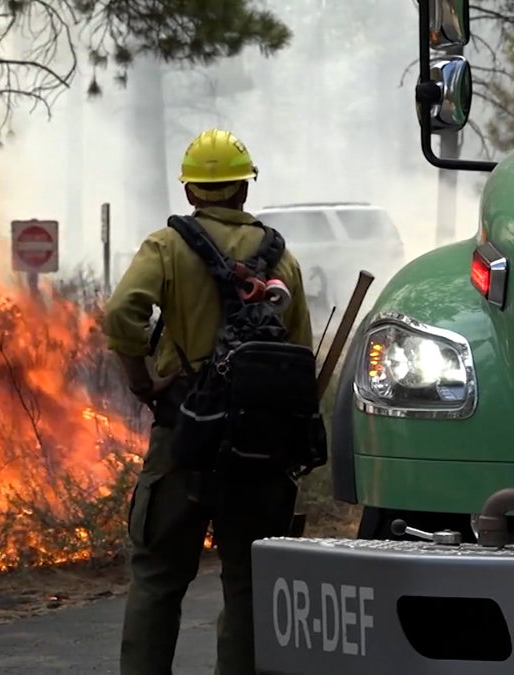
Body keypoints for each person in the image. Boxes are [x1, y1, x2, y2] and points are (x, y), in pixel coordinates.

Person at [103, 128, 313, 675]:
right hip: (258, 451)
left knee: (156, 578)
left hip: (183, 436)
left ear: (192, 192)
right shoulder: (281, 258)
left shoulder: (167, 247)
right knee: (247, 584)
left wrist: (140, 380)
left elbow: (122, 312)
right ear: (243, 189)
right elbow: (299, 355)